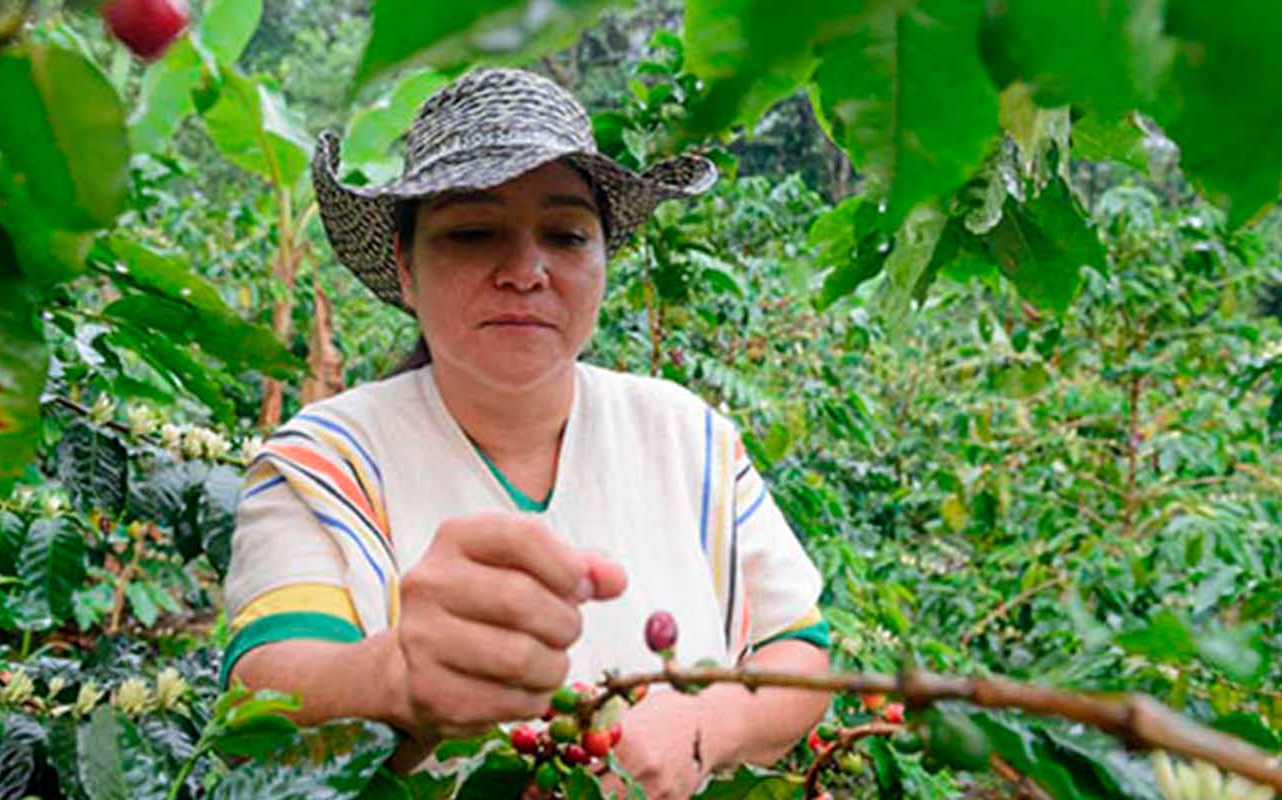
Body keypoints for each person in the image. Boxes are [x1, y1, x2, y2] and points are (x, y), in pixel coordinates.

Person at [222, 67, 831, 798]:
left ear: (604, 261)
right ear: (406, 271)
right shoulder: (325, 461)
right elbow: (266, 688)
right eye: (473, 233)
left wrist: (705, 729)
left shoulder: (685, 434)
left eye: (567, 234)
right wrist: (398, 677)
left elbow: (800, 650)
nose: (525, 269)